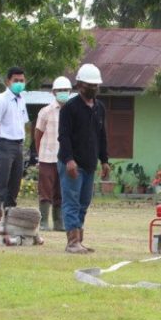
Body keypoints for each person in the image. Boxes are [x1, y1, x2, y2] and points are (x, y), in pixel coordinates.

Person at [58, 63, 110, 254]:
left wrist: (104, 160)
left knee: (84, 202)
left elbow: (102, 135)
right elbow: (63, 136)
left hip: (89, 163)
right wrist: (69, 160)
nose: (94, 88)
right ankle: (71, 242)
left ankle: (79, 239)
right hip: (72, 163)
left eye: (96, 85)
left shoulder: (99, 108)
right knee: (71, 201)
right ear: (79, 85)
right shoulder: (69, 108)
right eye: (90, 85)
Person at [0, 67, 30, 232]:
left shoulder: (21, 100)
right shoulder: (1, 100)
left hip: (18, 145)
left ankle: (10, 218)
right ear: (8, 82)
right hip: (4, 143)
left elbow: (23, 123)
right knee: (1, 182)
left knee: (14, 183)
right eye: (16, 80)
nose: (19, 83)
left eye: (21, 80)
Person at [34, 76, 71, 231]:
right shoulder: (46, 111)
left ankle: (58, 222)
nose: (63, 93)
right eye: (60, 90)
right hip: (47, 157)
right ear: (54, 92)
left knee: (61, 191)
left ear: (70, 91)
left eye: (66, 90)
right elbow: (38, 134)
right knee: (45, 190)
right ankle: (43, 222)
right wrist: (40, 153)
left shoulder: (72, 111)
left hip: (65, 157)